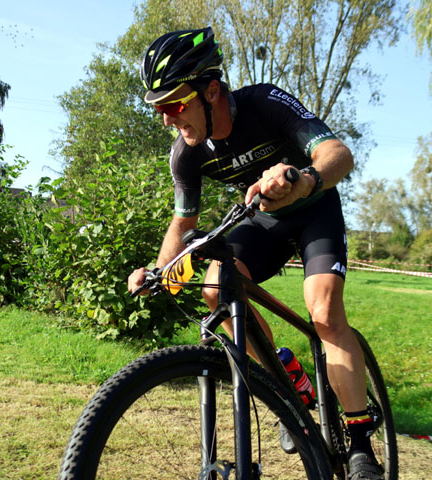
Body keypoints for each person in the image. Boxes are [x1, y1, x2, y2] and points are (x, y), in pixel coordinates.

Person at [128, 27, 383, 480]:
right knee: (214, 287)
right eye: (158, 109)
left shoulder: (265, 102)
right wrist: (158, 269)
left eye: (173, 104)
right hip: (261, 219)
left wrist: (305, 179)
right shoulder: (186, 154)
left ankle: (360, 439)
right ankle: (290, 391)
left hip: (313, 208)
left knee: (323, 311)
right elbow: (183, 223)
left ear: (210, 91)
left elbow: (338, 154)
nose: (167, 119)